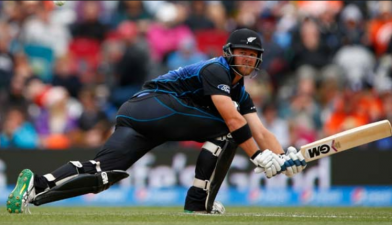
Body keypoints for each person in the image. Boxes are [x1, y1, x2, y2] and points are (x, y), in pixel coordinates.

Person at [6, 28, 306, 214]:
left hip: (139, 117)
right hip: (153, 106)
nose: (248, 59)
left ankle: (34, 189)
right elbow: (231, 118)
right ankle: (198, 202)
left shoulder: (240, 92)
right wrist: (259, 156)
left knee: (103, 175)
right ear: (228, 53)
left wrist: (282, 158)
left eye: (253, 55)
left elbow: (260, 129)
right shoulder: (217, 71)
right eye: (242, 52)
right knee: (228, 126)